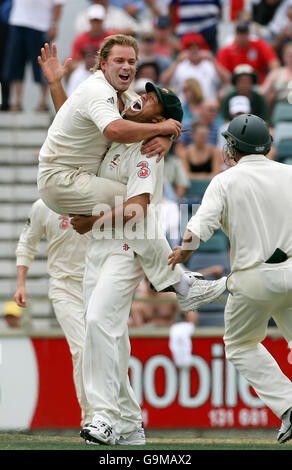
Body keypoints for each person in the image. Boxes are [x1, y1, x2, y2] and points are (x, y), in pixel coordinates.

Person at [69, 83, 227, 446]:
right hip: (99, 248)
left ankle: (104, 417)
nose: (141, 94)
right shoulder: (120, 125)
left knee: (98, 322)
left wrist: (91, 221)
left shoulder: (148, 150)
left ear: (157, 116)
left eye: (152, 98)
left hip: (126, 247)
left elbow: (138, 208)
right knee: (112, 336)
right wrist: (56, 85)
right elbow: (79, 120)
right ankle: (129, 422)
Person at [168, 113, 292, 444]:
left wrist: (184, 252)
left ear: (234, 147)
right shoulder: (290, 174)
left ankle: (289, 405)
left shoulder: (225, 180)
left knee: (239, 344)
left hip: (252, 280)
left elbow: (200, 227)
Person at [37, 35, 181, 217]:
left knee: (135, 208)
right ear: (103, 64)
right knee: (140, 204)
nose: (126, 66)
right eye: (119, 60)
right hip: (63, 181)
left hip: (78, 180)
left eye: (131, 61)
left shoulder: (126, 94)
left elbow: (68, 118)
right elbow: (115, 130)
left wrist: (167, 138)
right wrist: (162, 130)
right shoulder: (99, 89)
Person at [13, 198, 93, 428]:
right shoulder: (42, 206)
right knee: (82, 349)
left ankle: (114, 416)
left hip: (95, 285)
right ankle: (91, 418)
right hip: (63, 286)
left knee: (105, 349)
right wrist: (21, 284)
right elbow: (27, 244)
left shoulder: (92, 196)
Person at [3, 0, 65, 112]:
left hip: (40, 25)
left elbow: (58, 4)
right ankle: (17, 101)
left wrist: (54, 25)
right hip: (17, 21)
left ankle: (43, 101)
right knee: (15, 64)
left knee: (42, 65)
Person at [160, 32, 230, 102]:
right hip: (185, 108)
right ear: (185, 50)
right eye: (190, 48)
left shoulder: (210, 65)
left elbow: (228, 79)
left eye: (197, 48)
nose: (194, 51)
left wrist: (213, 60)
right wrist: (177, 61)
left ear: (202, 49)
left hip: (207, 106)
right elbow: (163, 81)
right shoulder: (180, 66)